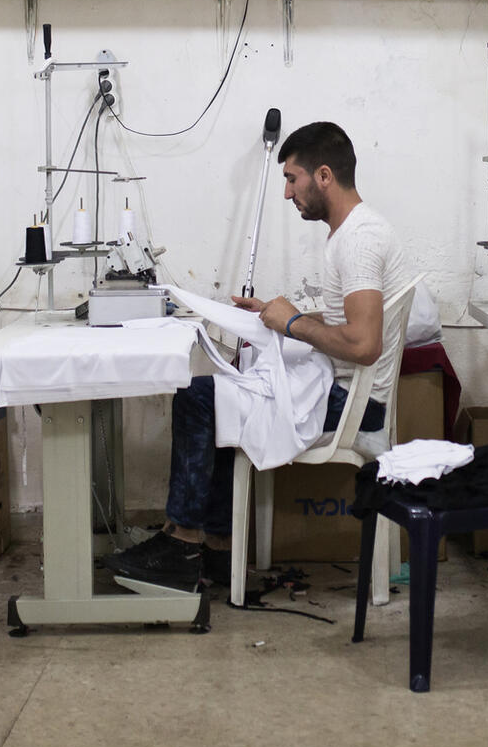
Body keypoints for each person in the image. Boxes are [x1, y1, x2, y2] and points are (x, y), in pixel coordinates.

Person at [111, 120, 413, 592]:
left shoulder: (359, 240)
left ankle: (182, 543)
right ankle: (217, 550)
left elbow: (363, 344)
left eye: (292, 179)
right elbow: (350, 324)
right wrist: (276, 315)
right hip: (340, 390)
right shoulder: (352, 232)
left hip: (355, 406)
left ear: (324, 176)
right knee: (225, 392)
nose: (288, 193)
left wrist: (292, 323)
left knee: (198, 398)